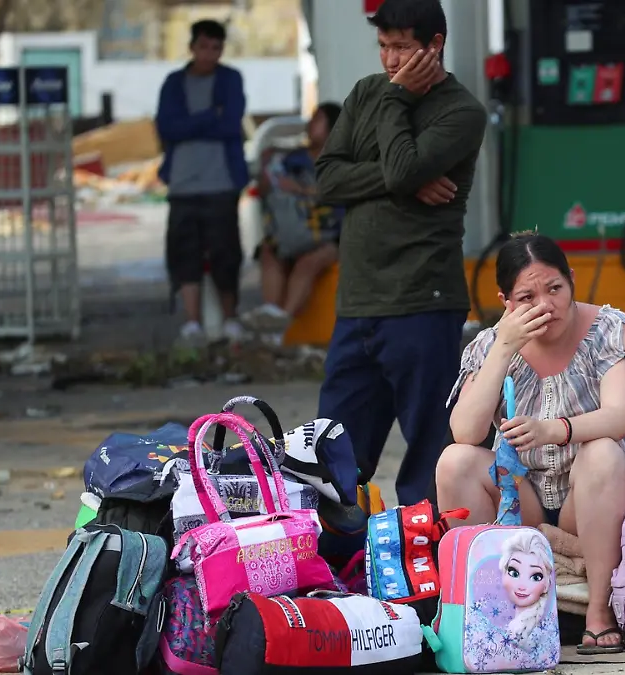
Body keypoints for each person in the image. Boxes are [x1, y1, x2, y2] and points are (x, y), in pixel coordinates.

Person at [437, 233, 625, 655]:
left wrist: (551, 430)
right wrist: (503, 347)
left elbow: (618, 416)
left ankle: (599, 611)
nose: (545, 305)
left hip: (605, 491)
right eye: (526, 297)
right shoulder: (491, 343)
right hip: (531, 497)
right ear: (505, 301)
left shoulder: (611, 328)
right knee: (455, 462)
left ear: (572, 280)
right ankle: (488, 609)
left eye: (555, 288)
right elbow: (464, 430)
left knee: (601, 452)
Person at [315, 0, 488, 507]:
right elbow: (327, 179)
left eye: (403, 48)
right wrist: (403, 180)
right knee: (331, 458)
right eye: (384, 47)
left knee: (431, 456)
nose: (391, 61)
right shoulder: (366, 92)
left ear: (435, 45)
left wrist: (396, 109)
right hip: (359, 304)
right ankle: (336, 568)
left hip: (422, 301)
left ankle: (433, 568)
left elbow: (399, 169)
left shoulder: (461, 112)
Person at [155, 19, 249, 344]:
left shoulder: (230, 79)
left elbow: (231, 125)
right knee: (185, 255)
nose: (210, 54)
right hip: (182, 184)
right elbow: (167, 128)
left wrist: (190, 124)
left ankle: (230, 318)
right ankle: (192, 322)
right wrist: (211, 115)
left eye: (216, 48)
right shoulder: (173, 83)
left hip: (221, 182)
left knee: (226, 253)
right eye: (204, 46)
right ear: (192, 47)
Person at [243, 102, 345, 336]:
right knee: (269, 252)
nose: (310, 125)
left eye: (317, 120)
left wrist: (302, 190)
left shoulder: (342, 161)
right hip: (295, 233)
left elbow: (343, 193)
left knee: (307, 263)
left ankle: (282, 321)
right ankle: (271, 312)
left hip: (332, 237)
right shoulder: (293, 158)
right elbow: (269, 186)